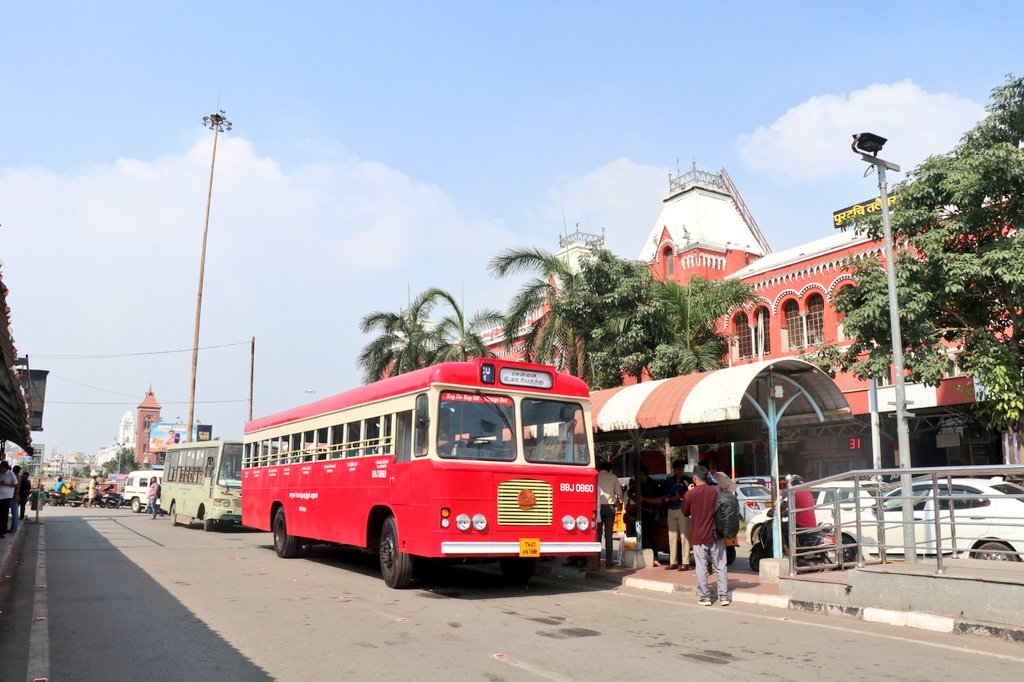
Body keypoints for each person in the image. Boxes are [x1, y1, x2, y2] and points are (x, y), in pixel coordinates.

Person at [683, 464, 729, 606]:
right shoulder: (715, 491)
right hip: (716, 535)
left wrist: (687, 493)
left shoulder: (690, 494)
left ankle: (705, 597)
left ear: (695, 478)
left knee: (701, 568)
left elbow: (685, 512)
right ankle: (724, 597)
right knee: (720, 566)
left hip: (699, 536)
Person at [662, 460, 691, 571]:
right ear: (674, 470)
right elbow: (663, 495)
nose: (679, 471)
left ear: (683, 470)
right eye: (677, 469)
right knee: (672, 537)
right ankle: (673, 562)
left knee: (685, 537)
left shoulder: (687, 480)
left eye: (681, 469)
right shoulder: (669, 481)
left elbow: (690, 494)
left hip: (682, 510)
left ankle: (685, 562)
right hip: (671, 509)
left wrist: (681, 497)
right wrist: (670, 497)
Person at [596, 460, 622, 568]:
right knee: (608, 535)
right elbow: (619, 493)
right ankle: (608, 560)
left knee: (597, 535)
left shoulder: (595, 476)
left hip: (597, 507)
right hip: (610, 508)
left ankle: (596, 560)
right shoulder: (613, 477)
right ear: (609, 469)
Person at [635, 466, 662, 566]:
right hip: (641, 513)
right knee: (642, 535)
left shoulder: (653, 485)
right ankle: (645, 556)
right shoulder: (638, 484)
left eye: (640, 474)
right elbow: (632, 494)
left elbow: (659, 500)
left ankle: (655, 557)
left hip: (651, 513)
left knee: (651, 536)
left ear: (644, 474)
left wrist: (644, 499)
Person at [0, 461, 17, 537]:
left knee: (4, 514)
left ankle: (3, 531)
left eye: (1, 467)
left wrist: (5, 484)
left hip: (6, 497)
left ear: (5, 467)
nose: (0, 468)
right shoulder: (0, 474)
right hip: (0, 496)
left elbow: (16, 484)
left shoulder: (11, 474)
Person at [9, 466, 21, 532]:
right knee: (15, 513)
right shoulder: (19, 477)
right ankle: (14, 528)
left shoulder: (15, 477)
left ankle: (13, 528)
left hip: (14, 496)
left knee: (14, 513)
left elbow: (16, 488)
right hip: (16, 496)